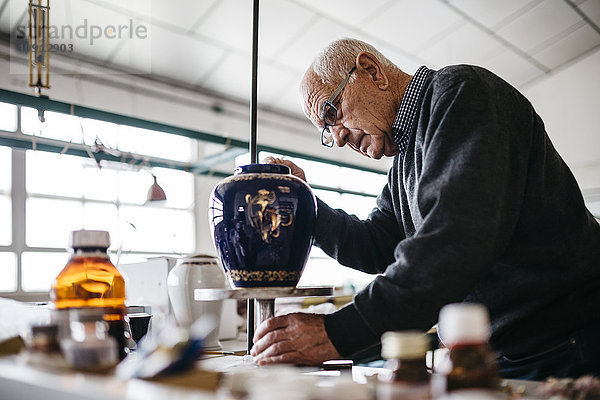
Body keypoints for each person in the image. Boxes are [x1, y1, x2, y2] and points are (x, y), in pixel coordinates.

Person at [250, 38, 600, 380]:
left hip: (566, 345)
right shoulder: (405, 160)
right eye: (327, 132)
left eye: (332, 112)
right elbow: (375, 245)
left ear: (372, 71)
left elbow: (453, 243)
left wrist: (339, 332)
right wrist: (301, 200)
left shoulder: (463, 95)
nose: (338, 138)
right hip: (500, 354)